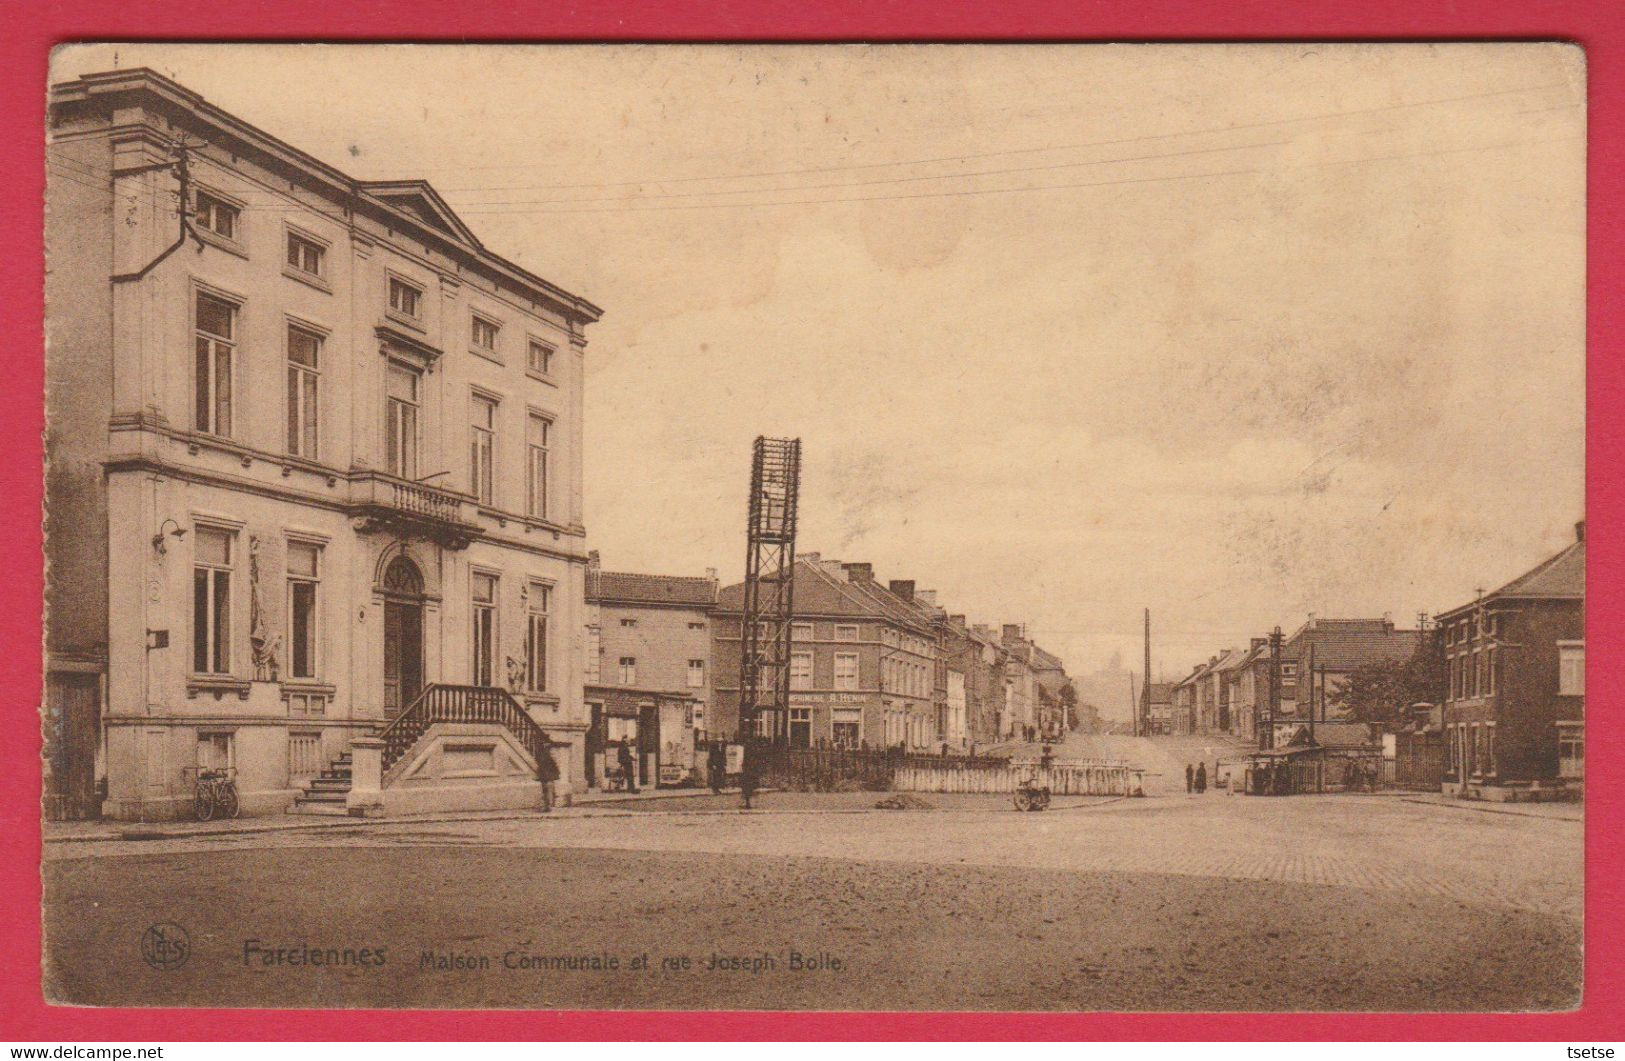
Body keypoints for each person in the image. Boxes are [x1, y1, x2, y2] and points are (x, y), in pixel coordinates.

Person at [537, 741, 561, 811]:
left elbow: (554, 764)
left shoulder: (548, 753)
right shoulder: (544, 753)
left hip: (548, 774)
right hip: (545, 774)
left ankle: (549, 806)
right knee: (546, 790)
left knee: (548, 790)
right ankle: (548, 805)